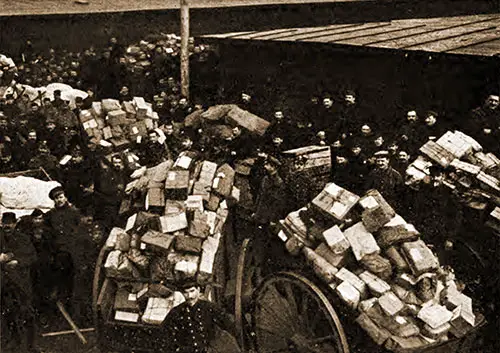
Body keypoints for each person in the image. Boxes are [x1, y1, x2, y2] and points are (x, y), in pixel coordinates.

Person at [164, 280, 240, 353]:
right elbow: (165, 334)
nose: (189, 296)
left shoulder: (210, 308)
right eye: (185, 293)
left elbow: (230, 327)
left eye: (192, 291)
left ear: (198, 290)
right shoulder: (176, 312)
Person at [1, 212, 39, 352]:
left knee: (27, 313)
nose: (7, 226)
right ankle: (13, 342)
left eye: (10, 223)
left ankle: (31, 344)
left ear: (15, 223)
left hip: (21, 282)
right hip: (4, 283)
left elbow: (33, 257)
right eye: (5, 223)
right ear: (1, 223)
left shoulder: (23, 239)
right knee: (8, 314)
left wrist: (18, 261)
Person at [93, 154, 130, 230]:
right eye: (115, 163)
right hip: (108, 202)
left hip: (118, 201)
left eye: (119, 162)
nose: (117, 165)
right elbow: (104, 188)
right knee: (110, 221)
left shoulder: (122, 172)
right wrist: (117, 188)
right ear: (112, 163)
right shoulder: (107, 173)